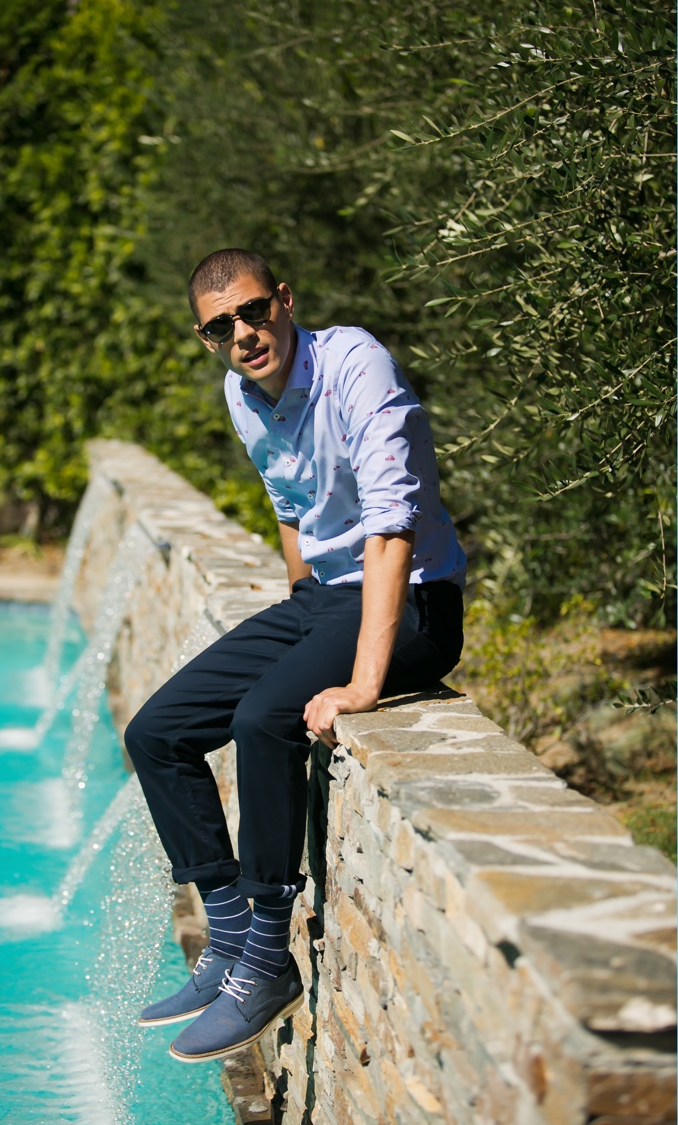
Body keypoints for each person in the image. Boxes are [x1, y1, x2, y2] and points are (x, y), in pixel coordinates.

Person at [125, 249, 466, 1063]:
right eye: (221, 327)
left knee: (264, 717)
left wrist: (362, 684)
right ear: (207, 339)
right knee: (157, 733)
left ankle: (267, 962)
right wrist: (299, 608)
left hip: (415, 601)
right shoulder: (242, 395)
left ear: (283, 300)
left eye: (252, 311)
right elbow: (289, 505)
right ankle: (228, 940)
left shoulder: (355, 366)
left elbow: (393, 526)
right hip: (324, 598)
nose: (243, 334)